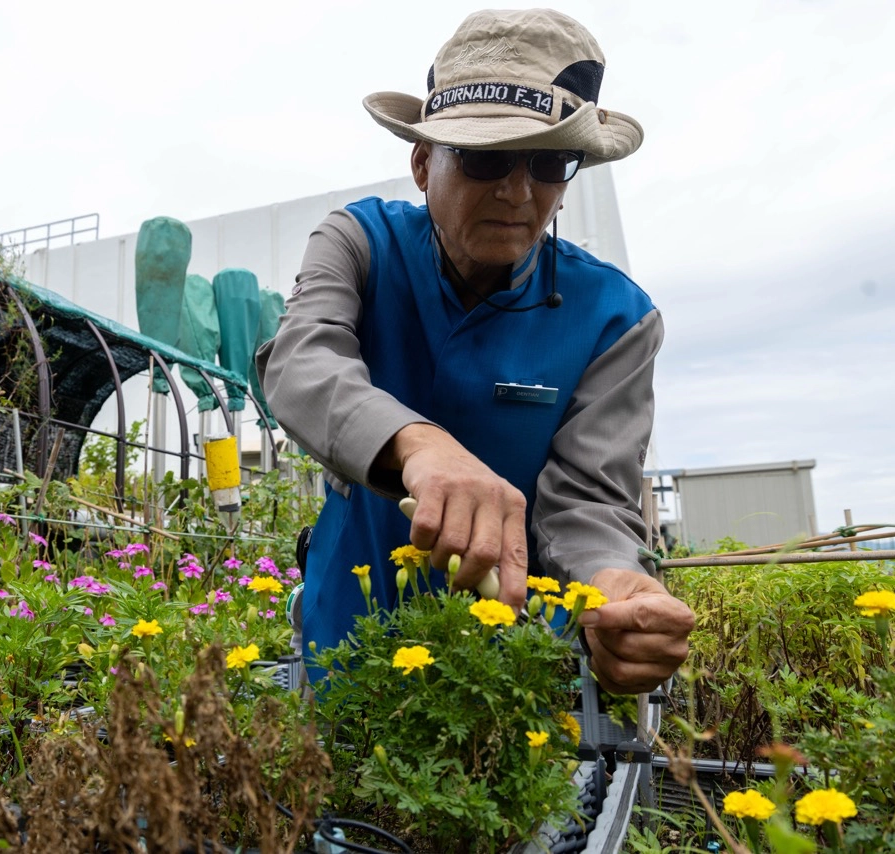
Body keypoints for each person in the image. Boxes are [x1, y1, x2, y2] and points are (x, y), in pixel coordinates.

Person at [256, 8, 693, 695]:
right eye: (486, 158)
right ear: (422, 162)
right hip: (345, 635)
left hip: (507, 670)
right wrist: (419, 445)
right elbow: (300, 361)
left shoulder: (616, 318)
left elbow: (589, 501)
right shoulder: (361, 243)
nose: (518, 192)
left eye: (549, 163)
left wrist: (612, 579)